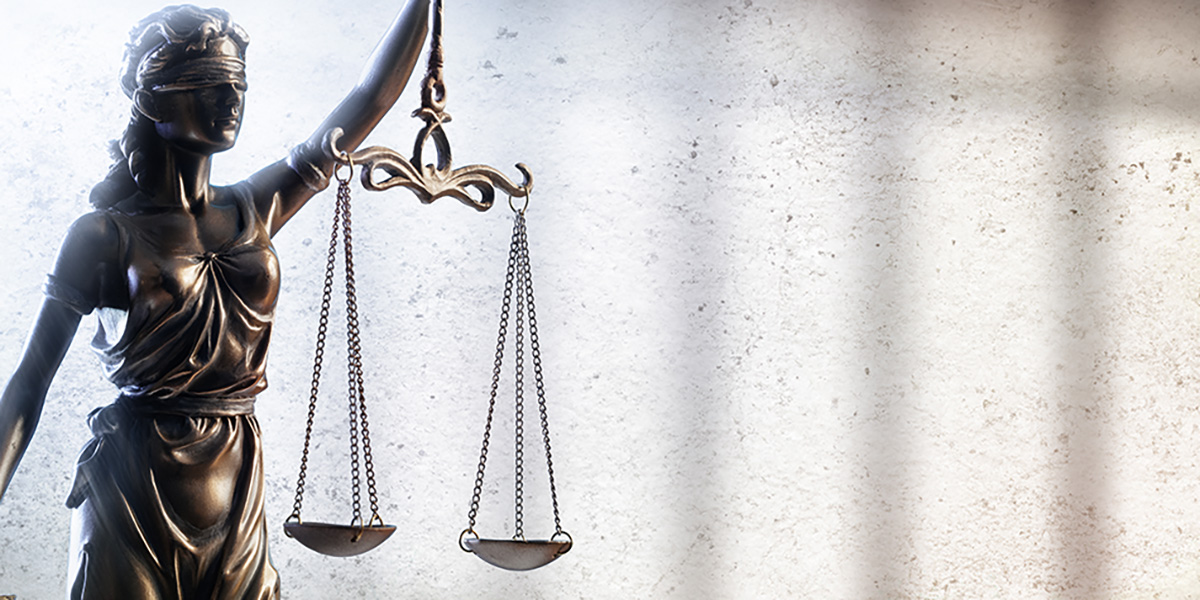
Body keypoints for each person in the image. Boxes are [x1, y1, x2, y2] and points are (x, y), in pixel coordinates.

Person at [0, 2, 430, 597]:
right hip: (134, 491)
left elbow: (370, 98)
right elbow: (28, 383)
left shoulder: (253, 209)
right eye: (207, 84)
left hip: (238, 488)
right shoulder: (102, 236)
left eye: (237, 86)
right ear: (152, 98)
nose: (230, 101)